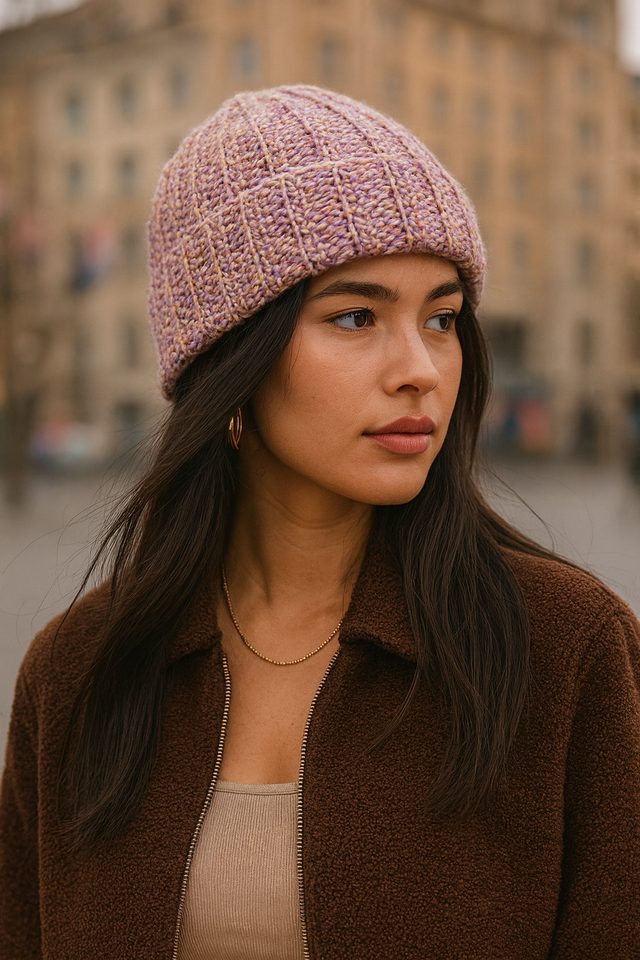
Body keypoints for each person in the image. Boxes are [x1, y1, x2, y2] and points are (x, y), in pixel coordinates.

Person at [1, 85, 639, 960]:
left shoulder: (568, 654)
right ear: (231, 359)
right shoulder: (76, 674)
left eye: (443, 319)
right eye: (355, 315)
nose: (421, 370)